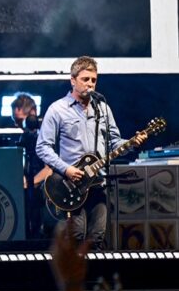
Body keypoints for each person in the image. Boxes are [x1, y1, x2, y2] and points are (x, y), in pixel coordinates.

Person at [35, 56, 146, 249]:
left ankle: (94, 270)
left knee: (97, 237)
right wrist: (67, 169)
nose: (90, 84)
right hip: (71, 184)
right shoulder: (57, 109)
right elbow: (42, 147)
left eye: (93, 80)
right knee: (76, 235)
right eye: (85, 79)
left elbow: (114, 143)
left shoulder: (103, 108)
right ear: (73, 80)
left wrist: (131, 143)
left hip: (98, 183)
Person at [10, 93, 52, 238]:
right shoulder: (24, 138)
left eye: (20, 120)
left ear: (32, 115)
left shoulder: (44, 137)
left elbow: (49, 169)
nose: (17, 125)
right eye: (15, 121)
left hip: (44, 197)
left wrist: (28, 183)